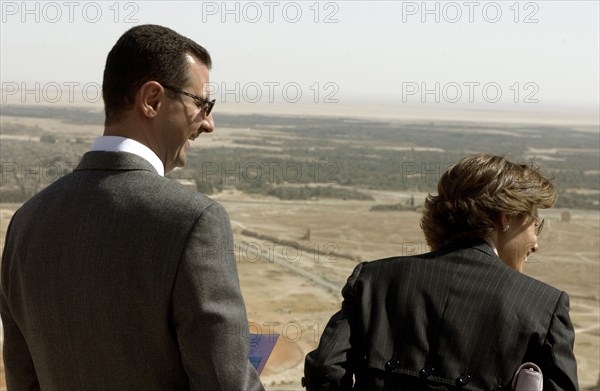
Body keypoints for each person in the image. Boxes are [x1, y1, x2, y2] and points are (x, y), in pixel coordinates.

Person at [1, 24, 264, 391]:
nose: (209, 123)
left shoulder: (26, 222)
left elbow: (22, 379)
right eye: (202, 104)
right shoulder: (193, 222)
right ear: (153, 100)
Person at [303, 154, 578, 391]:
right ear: (505, 218)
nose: (536, 244)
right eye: (534, 226)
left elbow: (325, 367)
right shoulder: (543, 307)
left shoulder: (374, 280)